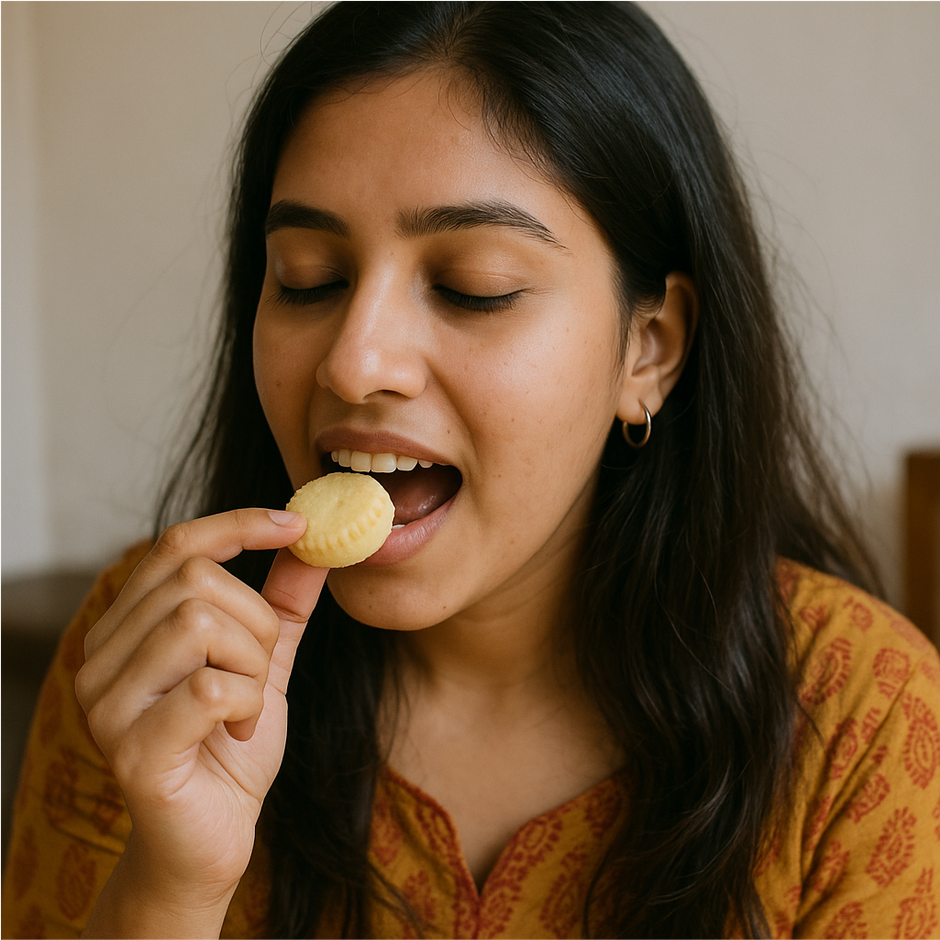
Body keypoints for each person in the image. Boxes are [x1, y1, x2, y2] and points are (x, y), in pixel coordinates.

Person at [3, 0, 938, 938]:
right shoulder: (157, 660)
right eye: (308, 278)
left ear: (647, 348)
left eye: (472, 288)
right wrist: (170, 888)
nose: (353, 361)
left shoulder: (865, 720)